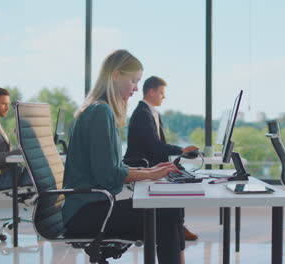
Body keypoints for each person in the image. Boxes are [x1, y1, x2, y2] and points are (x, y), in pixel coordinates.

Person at [62, 50, 186, 264]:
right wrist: (151, 173)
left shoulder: (98, 109)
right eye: (133, 81)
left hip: (87, 209)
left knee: (170, 208)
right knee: (168, 212)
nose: (137, 88)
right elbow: (108, 175)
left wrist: (150, 172)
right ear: (116, 75)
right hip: (85, 215)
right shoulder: (101, 113)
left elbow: (111, 166)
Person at [124, 76, 199, 241]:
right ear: (151, 92)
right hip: (142, 164)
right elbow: (154, 146)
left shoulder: (150, 112)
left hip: (150, 161)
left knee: (178, 171)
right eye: (161, 93)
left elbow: (157, 144)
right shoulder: (142, 113)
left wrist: (180, 151)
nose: (163, 97)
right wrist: (181, 149)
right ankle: (177, 225)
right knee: (178, 175)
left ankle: (178, 224)